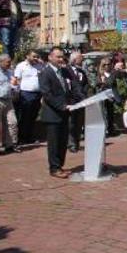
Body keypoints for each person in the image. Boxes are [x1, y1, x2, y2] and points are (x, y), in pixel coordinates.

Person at [39, 47, 82, 178]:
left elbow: (74, 87)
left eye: (62, 57)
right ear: (50, 57)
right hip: (53, 113)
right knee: (54, 143)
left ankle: (60, 166)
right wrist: (62, 106)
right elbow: (47, 94)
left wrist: (81, 100)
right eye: (58, 57)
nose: (61, 59)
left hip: (65, 112)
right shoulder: (45, 73)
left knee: (63, 141)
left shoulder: (65, 71)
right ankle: (54, 168)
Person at [13, 50, 42, 145]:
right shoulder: (21, 66)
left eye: (37, 56)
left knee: (33, 116)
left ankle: (29, 136)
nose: (36, 58)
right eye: (34, 56)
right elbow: (16, 80)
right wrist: (17, 93)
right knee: (24, 116)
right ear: (27, 56)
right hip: (25, 94)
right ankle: (21, 137)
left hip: (37, 94)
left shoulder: (39, 65)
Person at [0, 54, 19, 154]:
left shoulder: (9, 71)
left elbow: (12, 85)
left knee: (12, 122)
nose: (9, 64)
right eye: (7, 62)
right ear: (1, 62)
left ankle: (10, 144)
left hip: (8, 100)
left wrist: (15, 86)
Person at [66, 51, 88, 152]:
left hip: (81, 101)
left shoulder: (82, 72)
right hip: (70, 101)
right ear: (74, 59)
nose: (82, 60)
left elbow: (86, 85)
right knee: (71, 123)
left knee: (79, 122)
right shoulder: (66, 70)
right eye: (80, 58)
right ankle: (71, 143)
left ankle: (77, 142)